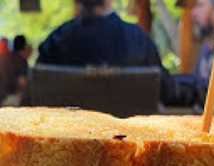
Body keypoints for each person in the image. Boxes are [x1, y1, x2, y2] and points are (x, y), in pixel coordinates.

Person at [37, 0, 175, 104]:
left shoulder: (55, 42)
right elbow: (166, 92)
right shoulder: (139, 40)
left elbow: (35, 94)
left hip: (68, 139)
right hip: (128, 139)